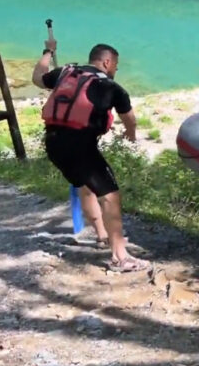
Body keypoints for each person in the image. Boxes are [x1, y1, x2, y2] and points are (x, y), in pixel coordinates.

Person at [31, 40, 149, 273]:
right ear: (107, 62)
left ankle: (102, 236)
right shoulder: (112, 88)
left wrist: (48, 52)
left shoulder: (66, 73)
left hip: (54, 144)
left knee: (86, 186)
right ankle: (120, 257)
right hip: (80, 147)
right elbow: (130, 119)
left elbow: (37, 77)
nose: (115, 70)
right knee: (110, 195)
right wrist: (131, 135)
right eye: (115, 65)